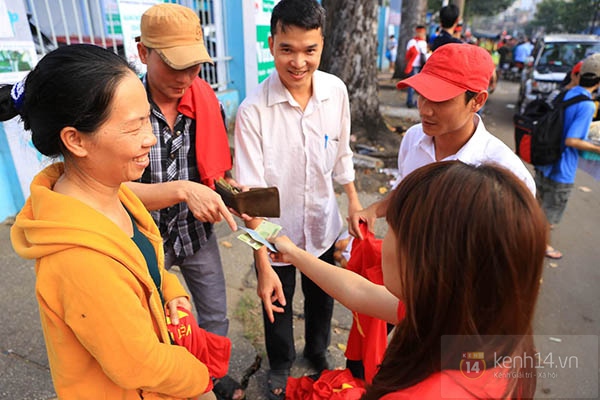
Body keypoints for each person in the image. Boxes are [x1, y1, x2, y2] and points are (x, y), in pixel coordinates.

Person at [2, 44, 215, 400]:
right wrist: (200, 377)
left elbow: (145, 267)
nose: (150, 138)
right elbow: (137, 365)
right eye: (133, 128)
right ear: (76, 140)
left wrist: (171, 292)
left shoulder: (112, 192)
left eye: (147, 119)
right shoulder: (79, 261)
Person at [271, 161, 548, 399]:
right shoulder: (475, 323)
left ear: (427, 259)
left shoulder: (420, 392)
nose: (383, 240)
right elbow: (359, 291)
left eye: (391, 226)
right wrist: (295, 254)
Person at [233, 0, 362, 398]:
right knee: (277, 303)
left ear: (322, 44)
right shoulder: (253, 111)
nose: (299, 62)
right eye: (287, 49)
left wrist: (354, 202)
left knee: (323, 298)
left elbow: (341, 155)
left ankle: (319, 351)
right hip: (276, 235)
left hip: (324, 224)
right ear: (271, 44)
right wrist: (261, 261)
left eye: (310, 50)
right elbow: (250, 200)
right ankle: (280, 362)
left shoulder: (336, 92)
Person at [126, 4, 244, 399]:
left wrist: (232, 193)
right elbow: (113, 190)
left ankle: (212, 375)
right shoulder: (121, 107)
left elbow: (213, 170)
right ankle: (172, 383)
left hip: (196, 235)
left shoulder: (206, 100)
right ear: (143, 52)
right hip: (143, 239)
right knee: (154, 321)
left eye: (193, 67)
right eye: (174, 66)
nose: (185, 78)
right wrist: (182, 190)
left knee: (214, 313)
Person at [348, 43, 535, 239]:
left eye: (441, 100)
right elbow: (405, 191)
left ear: (477, 101)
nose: (425, 110)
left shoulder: (508, 175)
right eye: (422, 94)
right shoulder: (414, 138)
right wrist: (374, 210)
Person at [534, 53, 600, 259]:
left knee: (537, 205)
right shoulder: (587, 104)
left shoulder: (567, 93)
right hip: (562, 169)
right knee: (551, 214)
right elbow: (572, 140)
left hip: (545, 160)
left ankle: (529, 237)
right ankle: (541, 246)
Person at [403, 25, 428, 108]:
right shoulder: (415, 42)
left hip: (419, 65)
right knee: (412, 85)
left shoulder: (420, 42)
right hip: (414, 66)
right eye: (420, 32)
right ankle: (410, 101)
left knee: (417, 86)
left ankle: (415, 101)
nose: (422, 34)